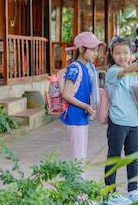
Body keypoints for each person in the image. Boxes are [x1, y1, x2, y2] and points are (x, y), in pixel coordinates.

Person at [104, 36, 138, 204]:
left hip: (132, 121)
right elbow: (124, 71)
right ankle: (109, 193)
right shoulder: (113, 71)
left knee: (132, 158)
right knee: (114, 157)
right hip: (118, 121)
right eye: (118, 53)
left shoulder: (133, 74)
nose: (122, 56)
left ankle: (133, 190)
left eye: (125, 53)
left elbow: (135, 95)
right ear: (112, 55)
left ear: (130, 53)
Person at [61, 32, 104, 177]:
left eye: (96, 50)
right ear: (81, 49)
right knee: (78, 159)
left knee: (80, 158)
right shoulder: (75, 68)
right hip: (76, 118)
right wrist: (86, 106)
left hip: (81, 118)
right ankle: (79, 197)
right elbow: (66, 94)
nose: (95, 54)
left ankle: (79, 195)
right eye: (92, 50)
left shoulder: (87, 68)